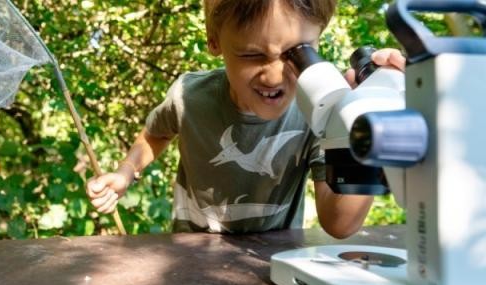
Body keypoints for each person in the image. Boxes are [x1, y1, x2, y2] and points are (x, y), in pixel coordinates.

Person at [86, 0, 406, 238]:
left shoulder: (320, 114)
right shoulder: (190, 97)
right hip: (189, 252)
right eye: (252, 55)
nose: (274, 75)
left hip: (270, 260)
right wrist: (126, 172)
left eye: (298, 52)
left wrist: (365, 127)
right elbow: (156, 133)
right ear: (214, 41)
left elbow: (339, 223)